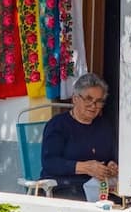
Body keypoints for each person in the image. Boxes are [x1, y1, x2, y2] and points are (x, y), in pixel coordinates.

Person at [41, 72, 118, 200]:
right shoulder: (58, 125)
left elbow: (111, 156)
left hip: (99, 187)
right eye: (88, 99)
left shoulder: (104, 125)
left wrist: (111, 165)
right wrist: (85, 168)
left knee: (124, 203)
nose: (93, 106)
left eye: (99, 101)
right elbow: (50, 162)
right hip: (64, 187)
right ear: (75, 99)